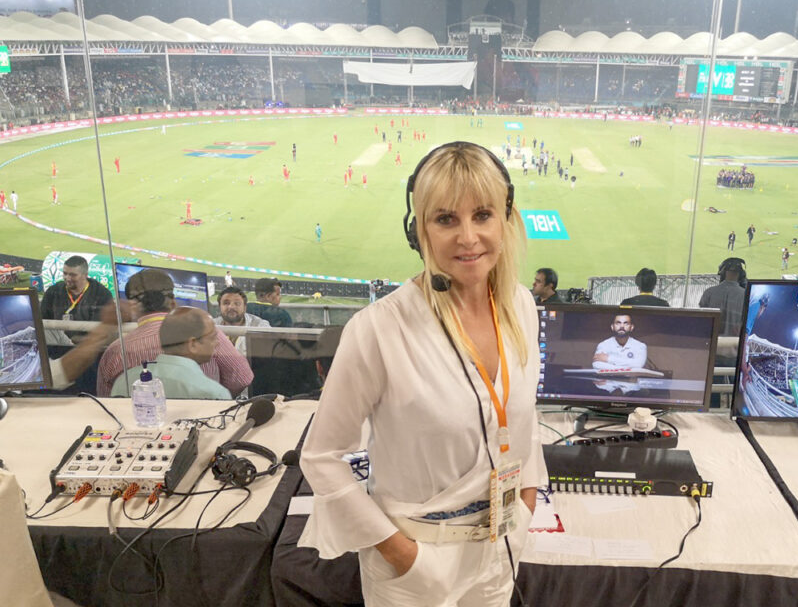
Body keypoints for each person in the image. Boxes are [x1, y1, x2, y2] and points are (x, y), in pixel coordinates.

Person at [299, 141, 542, 607]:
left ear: (506, 220)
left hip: (501, 550)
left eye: (483, 215)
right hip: (415, 567)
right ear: (419, 231)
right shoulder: (377, 329)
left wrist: (525, 505)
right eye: (446, 219)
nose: (468, 237)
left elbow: (520, 421)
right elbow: (322, 456)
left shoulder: (521, 306)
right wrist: (403, 554)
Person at [97, 268, 253, 397]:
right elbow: (242, 378)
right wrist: (216, 396)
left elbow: (108, 402)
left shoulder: (115, 351)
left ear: (132, 307)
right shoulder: (206, 331)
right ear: (172, 302)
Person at [110, 307, 231, 400]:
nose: (217, 343)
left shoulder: (123, 382)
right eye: (213, 337)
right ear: (193, 344)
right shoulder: (214, 394)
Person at [40, 255, 114, 330]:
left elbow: (102, 330)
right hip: (57, 336)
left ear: (85, 275)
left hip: (90, 337)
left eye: (73, 275)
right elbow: (42, 320)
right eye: (65, 273)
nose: (67, 278)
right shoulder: (53, 292)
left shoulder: (102, 295)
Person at [213, 285, 270, 356]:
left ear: (245, 307)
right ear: (219, 307)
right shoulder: (210, 327)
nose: (231, 307)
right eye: (226, 303)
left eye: (237, 303)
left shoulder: (259, 326)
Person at [698, 258, 746, 337]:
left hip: (711, 341)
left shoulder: (709, 292)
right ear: (741, 275)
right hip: (734, 343)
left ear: (722, 273)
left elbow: (702, 319)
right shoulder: (746, 296)